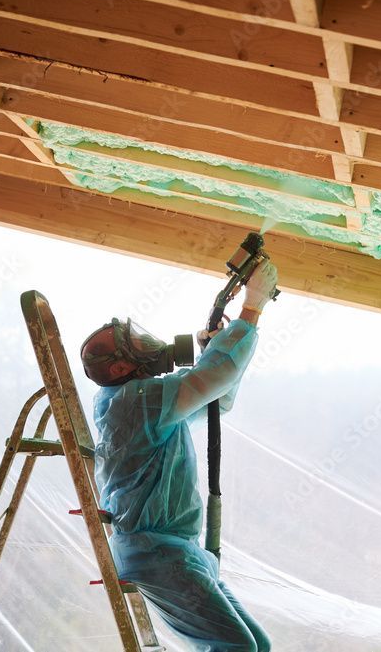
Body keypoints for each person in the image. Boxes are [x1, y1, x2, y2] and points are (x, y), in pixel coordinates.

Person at [79, 261, 279, 652]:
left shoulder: (140, 400)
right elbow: (215, 377)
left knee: (257, 644)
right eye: (131, 343)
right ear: (121, 367)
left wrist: (212, 353)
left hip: (175, 550)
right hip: (160, 553)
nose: (144, 342)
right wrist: (252, 307)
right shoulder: (136, 400)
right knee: (239, 648)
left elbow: (216, 400)